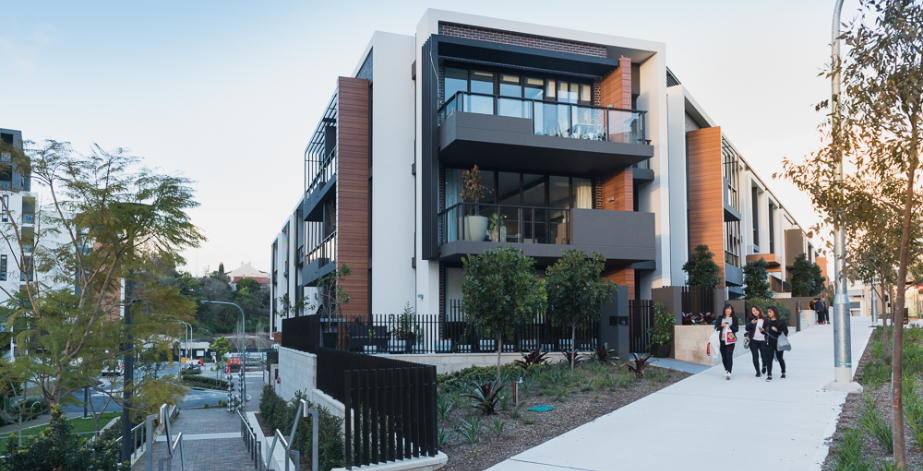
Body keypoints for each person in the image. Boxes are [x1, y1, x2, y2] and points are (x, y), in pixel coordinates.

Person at [714, 304, 739, 380]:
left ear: (732, 310)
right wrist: (722, 325)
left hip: (730, 340)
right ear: (724, 310)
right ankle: (726, 369)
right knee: (724, 356)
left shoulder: (734, 318)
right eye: (727, 309)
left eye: (730, 309)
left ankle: (729, 372)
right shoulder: (720, 318)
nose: (728, 310)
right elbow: (717, 328)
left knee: (729, 355)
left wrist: (729, 325)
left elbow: (736, 329)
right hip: (722, 340)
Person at [764, 306, 789, 381]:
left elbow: (786, 331)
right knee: (769, 359)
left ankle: (783, 372)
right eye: (768, 312)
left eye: (770, 312)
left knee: (780, 358)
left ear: (774, 312)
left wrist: (777, 331)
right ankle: (769, 375)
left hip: (779, 343)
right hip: (769, 343)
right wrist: (762, 330)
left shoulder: (780, 321)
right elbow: (765, 331)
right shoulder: (767, 321)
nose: (768, 313)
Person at [745, 305, 767, 377]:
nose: (755, 312)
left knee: (764, 356)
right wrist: (751, 323)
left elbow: (768, 329)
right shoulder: (750, 319)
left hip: (763, 340)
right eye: (753, 311)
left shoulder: (764, 318)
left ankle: (764, 366)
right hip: (753, 340)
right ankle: (757, 371)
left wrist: (764, 330)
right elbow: (747, 328)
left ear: (759, 310)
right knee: (755, 356)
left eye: (756, 310)